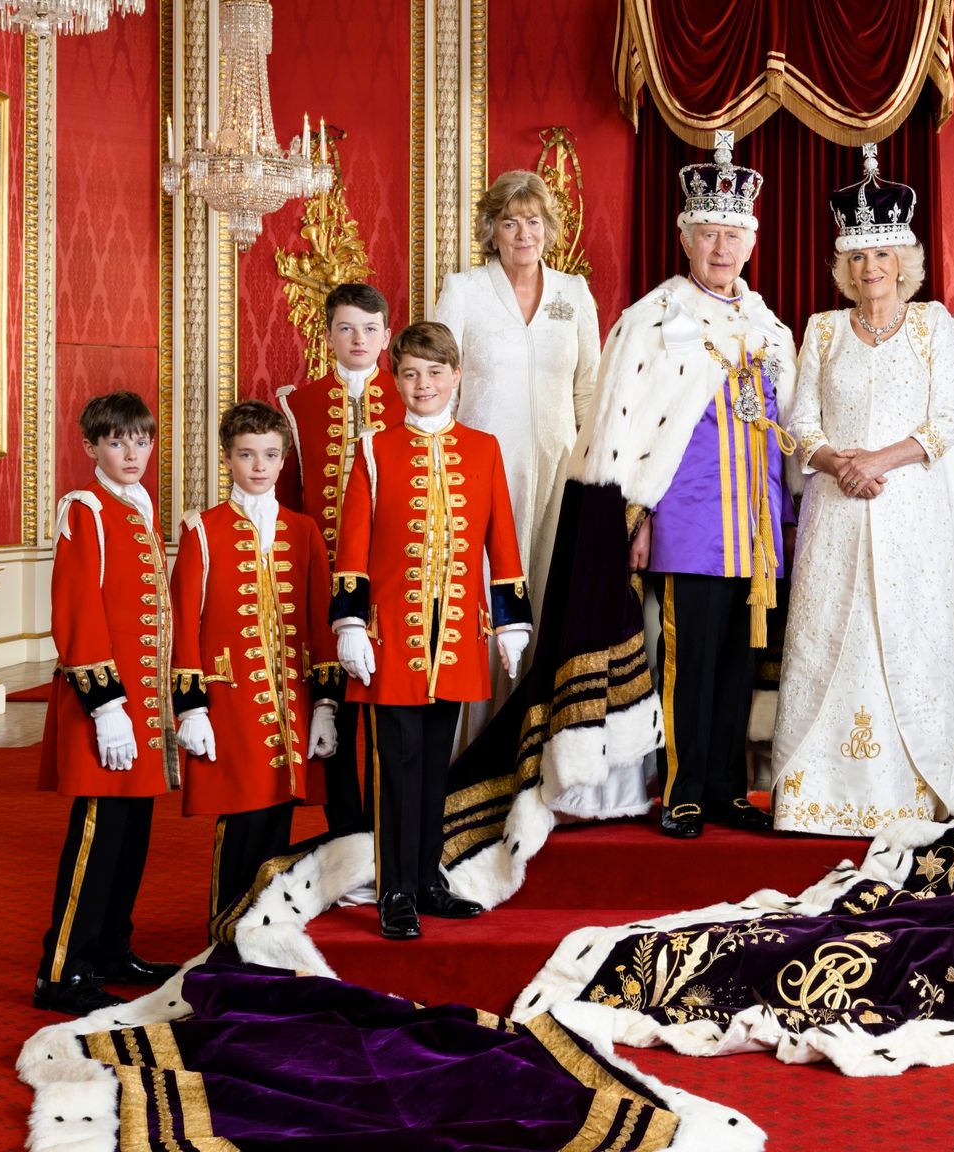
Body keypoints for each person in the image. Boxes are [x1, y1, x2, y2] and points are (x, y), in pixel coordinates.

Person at [772, 145, 954, 838]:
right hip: (836, 514)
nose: (872, 270)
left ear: (905, 260)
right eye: (860, 259)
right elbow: (798, 425)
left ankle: (909, 790)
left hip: (909, 512)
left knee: (903, 639)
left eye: (884, 256)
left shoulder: (933, 325)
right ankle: (814, 796)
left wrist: (877, 459)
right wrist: (837, 462)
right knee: (831, 640)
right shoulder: (823, 330)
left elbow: (951, 422)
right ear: (845, 266)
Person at [576, 130, 795, 838]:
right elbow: (625, 422)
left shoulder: (770, 327)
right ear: (686, 239)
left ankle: (731, 787)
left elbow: (791, 428)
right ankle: (684, 790)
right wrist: (632, 518)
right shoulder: (653, 319)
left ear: (750, 243)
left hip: (756, 526)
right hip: (689, 523)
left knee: (740, 662)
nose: (720, 248)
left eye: (732, 235)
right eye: (708, 234)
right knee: (688, 663)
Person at [330, 322, 531, 940]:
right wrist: (350, 624)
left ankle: (426, 879)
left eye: (435, 373)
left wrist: (511, 622)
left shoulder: (483, 448)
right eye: (411, 374)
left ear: (456, 377)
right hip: (389, 639)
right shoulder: (373, 448)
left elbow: (501, 540)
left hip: (456, 640)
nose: (423, 385)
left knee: (433, 766)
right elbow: (353, 544)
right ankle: (394, 888)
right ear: (395, 380)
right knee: (396, 766)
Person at [33, 391, 183, 1015]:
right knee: (96, 837)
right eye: (117, 441)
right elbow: (77, 613)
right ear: (91, 446)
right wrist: (106, 706)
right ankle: (61, 968)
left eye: (140, 440)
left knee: (131, 836)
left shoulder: (137, 508)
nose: (131, 452)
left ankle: (110, 947)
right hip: (106, 710)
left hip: (141, 710)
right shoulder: (86, 510)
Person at [169, 401, 341, 927]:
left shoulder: (303, 530)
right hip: (229, 704)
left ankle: (264, 928)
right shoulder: (202, 529)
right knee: (240, 815)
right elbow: (184, 622)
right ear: (227, 458)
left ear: (285, 458)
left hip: (291, 706)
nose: (259, 466)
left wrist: (325, 707)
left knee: (278, 819)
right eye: (246, 454)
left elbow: (318, 623)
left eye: (269, 454)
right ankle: (225, 926)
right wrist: (191, 709)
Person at [433, 172, 601, 697]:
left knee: (550, 597)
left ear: (548, 228)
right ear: (492, 229)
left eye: (533, 222)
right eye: (510, 223)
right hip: (481, 472)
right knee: (484, 602)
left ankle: (536, 733)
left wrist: (593, 472)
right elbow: (441, 386)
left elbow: (588, 392)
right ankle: (475, 748)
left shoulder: (574, 294)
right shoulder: (464, 291)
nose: (523, 234)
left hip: (558, 469)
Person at [276, 281, 394, 836]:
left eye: (370, 329)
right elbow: (290, 502)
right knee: (332, 705)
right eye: (346, 328)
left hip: (390, 584)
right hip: (321, 582)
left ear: (387, 336)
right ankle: (346, 831)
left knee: (388, 711)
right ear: (327, 335)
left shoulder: (407, 394)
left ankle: (390, 831)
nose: (358, 339)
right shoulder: (297, 404)